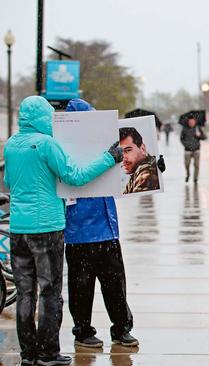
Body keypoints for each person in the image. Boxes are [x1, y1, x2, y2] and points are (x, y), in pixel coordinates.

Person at [4, 96, 123, 366]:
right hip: (47, 227)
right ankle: (48, 354)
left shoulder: (11, 144)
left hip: (18, 228)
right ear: (43, 117)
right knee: (49, 292)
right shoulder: (47, 144)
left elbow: (9, 181)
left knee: (25, 293)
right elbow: (76, 176)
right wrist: (109, 157)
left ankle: (28, 355)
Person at [64, 99, 154, 350]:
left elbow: (126, 176)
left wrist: (152, 168)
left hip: (106, 228)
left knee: (114, 284)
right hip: (80, 229)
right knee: (82, 287)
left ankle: (121, 328)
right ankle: (83, 330)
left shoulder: (107, 145)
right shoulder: (65, 149)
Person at [120, 127, 160, 194]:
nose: (123, 158)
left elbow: (141, 202)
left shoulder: (146, 174)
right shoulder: (136, 171)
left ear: (142, 149)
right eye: (119, 152)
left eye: (128, 150)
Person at [180, 117, 206, 183]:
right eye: (190, 122)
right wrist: (186, 145)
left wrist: (199, 135)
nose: (191, 123)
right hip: (187, 150)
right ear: (188, 122)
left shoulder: (198, 128)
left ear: (194, 122)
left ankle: (195, 178)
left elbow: (204, 137)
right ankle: (188, 174)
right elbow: (181, 139)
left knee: (196, 165)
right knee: (187, 164)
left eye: (193, 122)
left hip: (196, 149)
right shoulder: (184, 129)